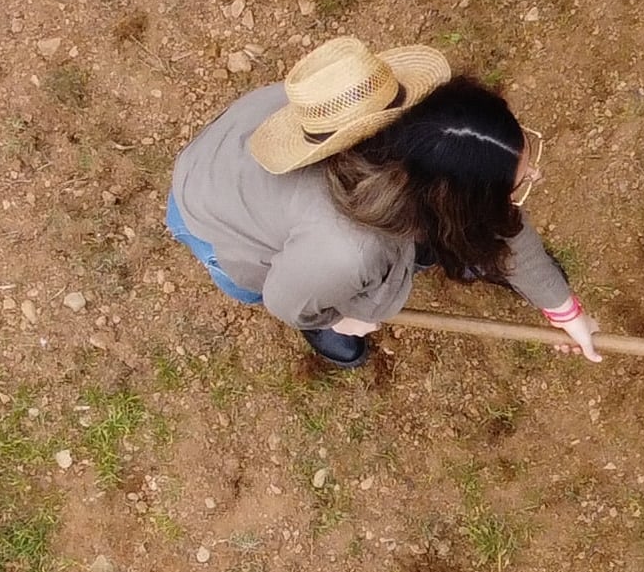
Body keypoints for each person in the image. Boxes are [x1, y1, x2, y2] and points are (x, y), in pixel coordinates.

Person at [165, 35, 604, 370]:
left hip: (241, 146)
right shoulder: (347, 252)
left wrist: (563, 308)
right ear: (446, 202)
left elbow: (492, 214)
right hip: (213, 217)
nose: (535, 176)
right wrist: (339, 320)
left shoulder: (411, 126)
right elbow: (286, 298)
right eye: (519, 180)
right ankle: (326, 321)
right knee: (279, 289)